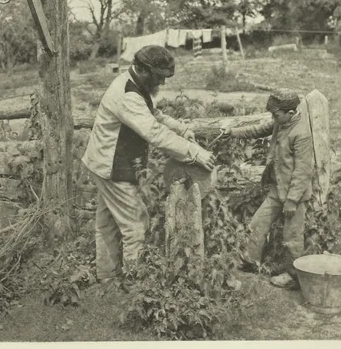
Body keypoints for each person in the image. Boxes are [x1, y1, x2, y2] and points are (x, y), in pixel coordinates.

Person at [82, 45, 215, 284]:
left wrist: (183, 130)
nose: (162, 83)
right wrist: (194, 152)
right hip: (111, 167)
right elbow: (154, 133)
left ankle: (107, 277)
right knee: (136, 224)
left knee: (107, 223)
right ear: (144, 70)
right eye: (159, 77)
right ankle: (135, 285)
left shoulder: (134, 84)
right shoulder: (127, 95)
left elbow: (155, 116)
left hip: (103, 162)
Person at [223, 88, 314, 289]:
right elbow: (258, 129)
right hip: (277, 189)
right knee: (257, 223)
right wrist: (233, 132)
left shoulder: (301, 134)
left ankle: (294, 277)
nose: (273, 118)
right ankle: (250, 261)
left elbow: (303, 171)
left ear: (290, 113)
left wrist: (291, 200)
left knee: (292, 237)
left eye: (276, 114)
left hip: (294, 195)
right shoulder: (280, 123)